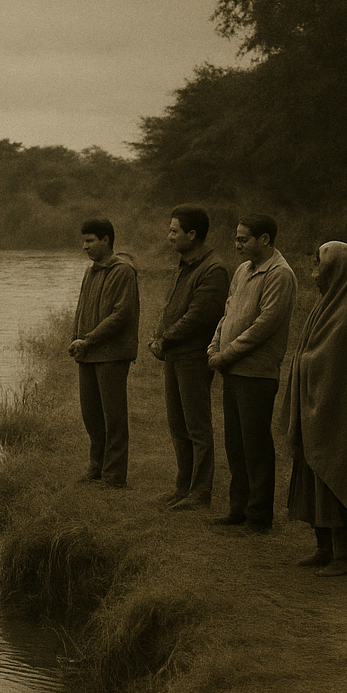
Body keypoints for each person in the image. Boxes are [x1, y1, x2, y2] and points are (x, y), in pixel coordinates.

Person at [277, 242, 347, 577]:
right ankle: (323, 548)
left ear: (337, 268)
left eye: (319, 263)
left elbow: (335, 362)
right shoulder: (325, 305)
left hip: (342, 417)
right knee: (313, 477)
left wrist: (305, 362)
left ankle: (344, 556)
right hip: (318, 412)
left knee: (339, 474)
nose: (314, 270)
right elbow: (310, 350)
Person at [207, 215, 298, 532]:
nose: (237, 244)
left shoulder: (280, 274)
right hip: (232, 369)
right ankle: (239, 509)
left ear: (265, 239)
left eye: (243, 239)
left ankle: (259, 517)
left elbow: (264, 326)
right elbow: (228, 312)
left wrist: (226, 355)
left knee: (255, 444)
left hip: (257, 374)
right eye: (236, 238)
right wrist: (215, 346)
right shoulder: (243, 270)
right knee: (235, 443)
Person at [150, 204, 229, 510]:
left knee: (196, 426)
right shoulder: (185, 264)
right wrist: (161, 339)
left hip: (193, 356)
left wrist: (163, 340)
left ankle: (200, 491)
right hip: (174, 354)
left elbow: (199, 317)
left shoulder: (214, 269)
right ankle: (183, 487)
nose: (169, 237)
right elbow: (172, 308)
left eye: (174, 231)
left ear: (192, 234)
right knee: (177, 424)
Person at [70, 218, 139, 488]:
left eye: (90, 241)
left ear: (106, 240)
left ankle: (114, 476)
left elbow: (121, 314)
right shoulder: (91, 271)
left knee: (114, 418)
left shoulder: (123, 271)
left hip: (111, 354)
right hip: (87, 354)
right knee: (91, 416)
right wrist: (74, 339)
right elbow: (81, 309)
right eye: (83, 241)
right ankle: (96, 468)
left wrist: (88, 340)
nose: (84, 246)